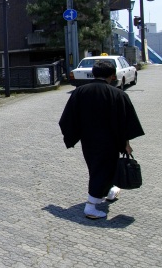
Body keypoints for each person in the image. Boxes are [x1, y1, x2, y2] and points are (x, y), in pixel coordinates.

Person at [59, 60, 145, 219]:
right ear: (112, 76)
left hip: (88, 140)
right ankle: (91, 206)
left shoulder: (80, 92)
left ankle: (109, 191)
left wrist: (73, 136)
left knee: (98, 168)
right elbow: (126, 121)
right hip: (110, 141)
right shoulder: (119, 94)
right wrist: (126, 144)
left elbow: (67, 118)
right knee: (101, 170)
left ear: (94, 73)